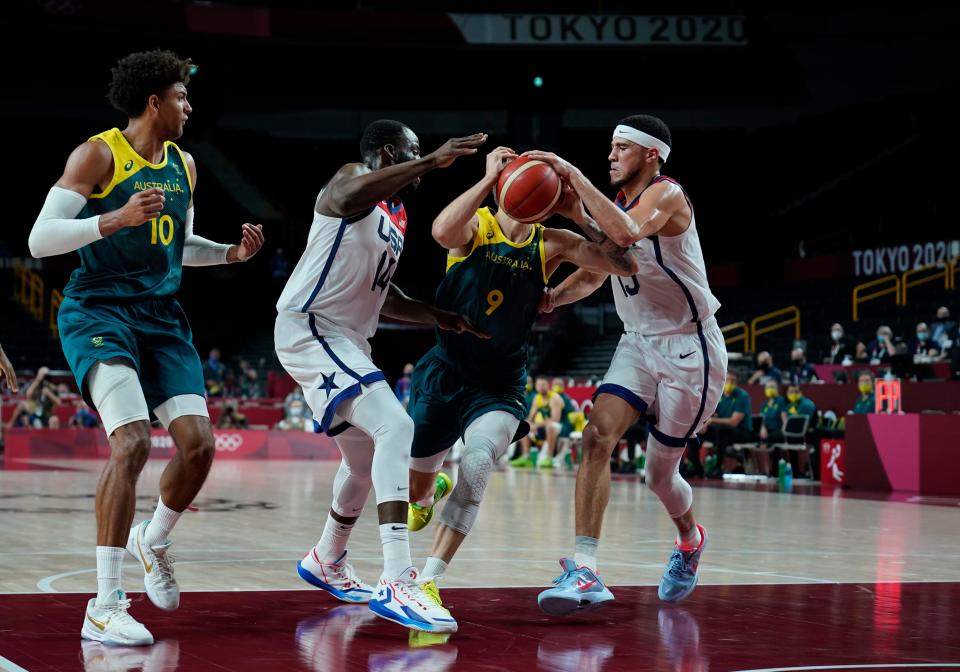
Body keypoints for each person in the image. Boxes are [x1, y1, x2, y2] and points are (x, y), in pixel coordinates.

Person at [28, 50, 264, 646]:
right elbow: (40, 240)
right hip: (98, 310)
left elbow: (178, 245)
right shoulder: (98, 153)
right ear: (154, 101)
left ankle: (153, 538)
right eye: (182, 97)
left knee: (199, 447)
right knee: (131, 441)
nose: (190, 107)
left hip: (161, 317)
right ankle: (105, 602)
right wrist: (113, 220)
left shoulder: (185, 164)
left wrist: (230, 255)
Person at [401, 144, 640, 609]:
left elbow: (624, 264)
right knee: (416, 492)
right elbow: (440, 229)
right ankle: (427, 493)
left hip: (499, 383)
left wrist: (574, 211)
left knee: (478, 463)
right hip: (445, 372)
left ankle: (428, 581)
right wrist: (489, 179)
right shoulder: (477, 226)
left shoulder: (552, 242)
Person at [274, 118, 487, 634]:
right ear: (389, 153)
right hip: (312, 327)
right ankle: (397, 576)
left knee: (365, 459)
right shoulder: (349, 180)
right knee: (398, 427)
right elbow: (349, 191)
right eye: (412, 153)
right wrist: (434, 159)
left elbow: (382, 294)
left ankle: (327, 557)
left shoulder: (397, 215)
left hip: (348, 340)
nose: (420, 164)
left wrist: (437, 315)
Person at [525, 114, 726, 612]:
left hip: (689, 348)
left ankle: (689, 539)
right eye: (609, 147)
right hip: (637, 343)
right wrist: (552, 298)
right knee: (596, 437)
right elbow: (598, 271)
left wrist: (572, 182)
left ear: (651, 154)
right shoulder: (615, 207)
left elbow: (628, 231)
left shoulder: (667, 195)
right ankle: (586, 569)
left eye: (621, 148)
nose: (611, 155)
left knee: (659, 475)